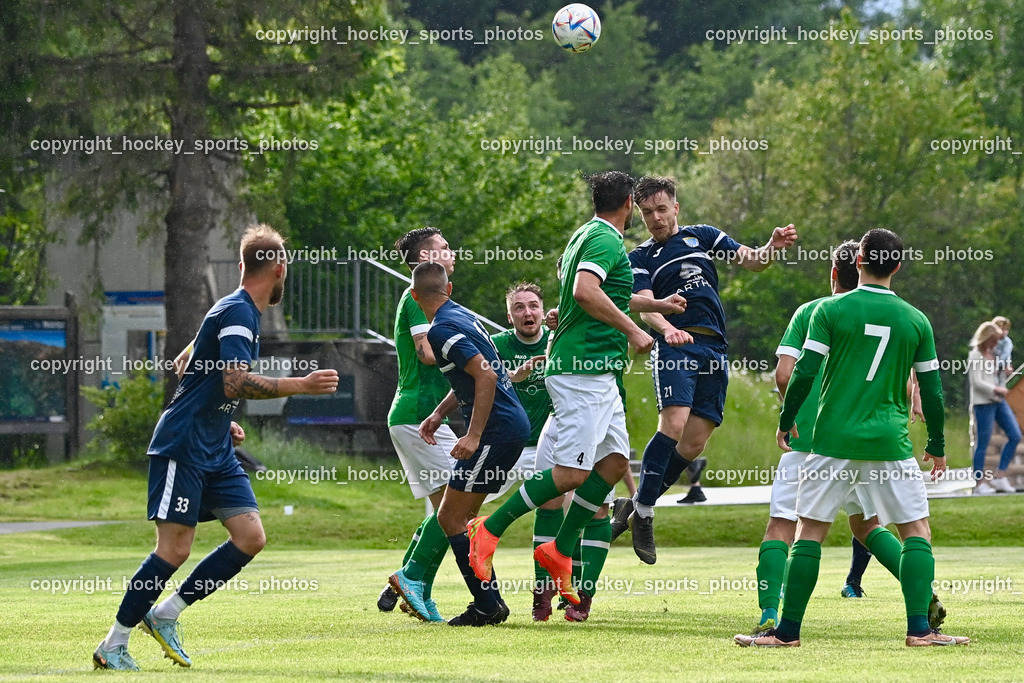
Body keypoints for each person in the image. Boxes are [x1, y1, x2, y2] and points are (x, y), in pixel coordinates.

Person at [93, 225, 340, 670]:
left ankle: (165, 614)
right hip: (184, 443)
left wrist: (221, 420)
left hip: (214, 444)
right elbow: (234, 381)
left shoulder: (235, 310)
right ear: (280, 269)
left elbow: (194, 369)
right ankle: (113, 643)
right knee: (174, 548)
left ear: (243, 265)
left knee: (250, 537)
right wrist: (298, 385)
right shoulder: (239, 313)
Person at [737, 228, 969, 648]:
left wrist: (787, 418)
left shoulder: (829, 311)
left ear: (858, 260)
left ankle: (786, 632)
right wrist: (936, 444)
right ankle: (919, 630)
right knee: (915, 530)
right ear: (897, 266)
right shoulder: (916, 319)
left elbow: (803, 371)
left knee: (808, 531)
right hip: (890, 443)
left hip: (831, 441)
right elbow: (932, 391)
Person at [465, 170, 685, 607]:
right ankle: (488, 528)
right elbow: (587, 292)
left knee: (614, 464)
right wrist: (634, 331)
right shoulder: (605, 241)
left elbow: (607, 291)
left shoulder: (584, 236)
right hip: (582, 372)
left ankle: (560, 549)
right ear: (627, 204)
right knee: (571, 476)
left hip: (598, 373)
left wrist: (655, 305)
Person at [613, 175, 797, 564]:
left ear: (676, 207)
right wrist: (668, 328)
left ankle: (634, 505)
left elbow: (753, 261)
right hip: (675, 345)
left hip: (713, 348)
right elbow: (643, 304)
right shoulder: (641, 257)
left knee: (695, 442)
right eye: (647, 213)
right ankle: (645, 513)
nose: (656, 219)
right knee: (674, 424)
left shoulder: (703, 236)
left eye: (662, 210)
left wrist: (771, 247)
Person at [390, 262, 529, 626]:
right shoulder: (464, 317)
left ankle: (486, 605)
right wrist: (439, 414)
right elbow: (473, 375)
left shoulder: (441, 330)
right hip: (510, 427)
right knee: (464, 519)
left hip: (496, 432)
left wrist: (474, 435)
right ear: (448, 290)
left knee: (450, 516)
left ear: (415, 296)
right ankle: (490, 602)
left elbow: (484, 375)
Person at [377, 228, 458, 618]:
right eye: (443, 248)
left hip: (425, 418)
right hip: (416, 417)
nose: (451, 252)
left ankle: (412, 586)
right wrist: (468, 357)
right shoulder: (415, 299)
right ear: (426, 257)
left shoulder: (434, 298)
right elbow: (427, 354)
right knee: (455, 509)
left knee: (445, 511)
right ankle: (411, 578)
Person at [969, 321, 1021, 494]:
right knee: (982, 443)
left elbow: (995, 376)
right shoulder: (976, 355)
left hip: (998, 401)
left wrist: (1006, 372)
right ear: (986, 338)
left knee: (1014, 435)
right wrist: (996, 389)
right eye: (994, 340)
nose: (997, 343)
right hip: (983, 403)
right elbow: (976, 382)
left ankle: (1000, 476)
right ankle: (979, 483)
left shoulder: (995, 353)